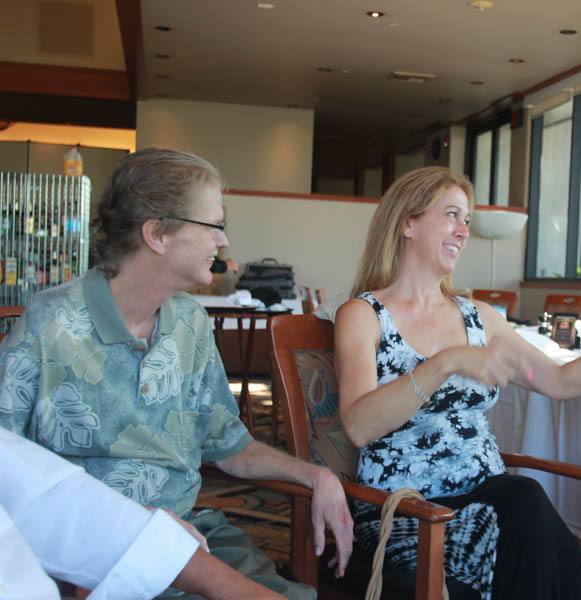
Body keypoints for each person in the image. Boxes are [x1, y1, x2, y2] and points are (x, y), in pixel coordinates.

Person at [0, 148, 353, 599]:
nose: (223, 242)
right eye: (215, 226)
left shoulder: (190, 322)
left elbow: (229, 444)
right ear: (157, 234)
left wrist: (317, 476)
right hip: (94, 559)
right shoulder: (49, 327)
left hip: (196, 538)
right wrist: (130, 530)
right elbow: (8, 474)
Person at [334, 166, 581, 599]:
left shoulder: (481, 318)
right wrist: (449, 361)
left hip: (490, 499)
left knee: (525, 508)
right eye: (452, 215)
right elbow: (360, 426)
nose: (463, 230)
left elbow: (559, 381)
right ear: (408, 223)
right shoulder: (363, 315)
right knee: (528, 509)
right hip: (407, 511)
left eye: (467, 220)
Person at [0, 426, 285, 600]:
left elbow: (57, 501)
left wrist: (233, 590)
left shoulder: (190, 335)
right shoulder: (42, 338)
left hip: (188, 536)